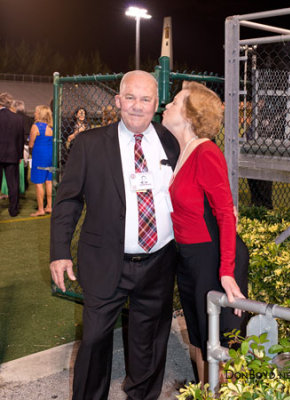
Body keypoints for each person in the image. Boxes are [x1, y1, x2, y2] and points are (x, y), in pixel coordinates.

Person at [50, 70, 180, 400]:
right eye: (131, 97)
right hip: (106, 260)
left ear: (157, 103)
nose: (137, 106)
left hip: (159, 262)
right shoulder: (89, 143)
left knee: (149, 343)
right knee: (94, 340)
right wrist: (60, 251)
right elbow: (68, 200)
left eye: (146, 98)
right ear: (118, 100)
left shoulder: (169, 141)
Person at [162, 81, 248, 381]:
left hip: (210, 258)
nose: (167, 106)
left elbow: (226, 213)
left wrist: (226, 271)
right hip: (191, 257)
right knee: (198, 337)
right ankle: (204, 390)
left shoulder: (205, 152)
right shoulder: (183, 150)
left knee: (217, 342)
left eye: (174, 102)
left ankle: (216, 391)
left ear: (189, 114)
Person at [0, 92, 25, 216]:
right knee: (13, 184)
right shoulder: (18, 118)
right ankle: (13, 210)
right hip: (12, 155)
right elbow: (20, 139)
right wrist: (20, 155)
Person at [29, 105, 53, 217]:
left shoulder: (36, 126)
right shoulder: (51, 127)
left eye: (36, 112)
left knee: (39, 183)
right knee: (49, 181)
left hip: (40, 156)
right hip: (50, 156)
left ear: (41, 114)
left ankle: (40, 209)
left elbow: (31, 144)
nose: (35, 114)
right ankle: (49, 206)